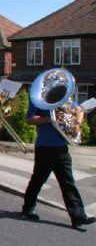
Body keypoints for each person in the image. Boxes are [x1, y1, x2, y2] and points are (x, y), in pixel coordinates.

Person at [22, 98, 96, 229]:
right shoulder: (38, 99)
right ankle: (28, 207)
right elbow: (29, 119)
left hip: (62, 148)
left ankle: (78, 216)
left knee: (68, 182)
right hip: (44, 147)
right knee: (38, 180)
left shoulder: (65, 99)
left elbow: (79, 110)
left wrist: (77, 123)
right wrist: (50, 119)